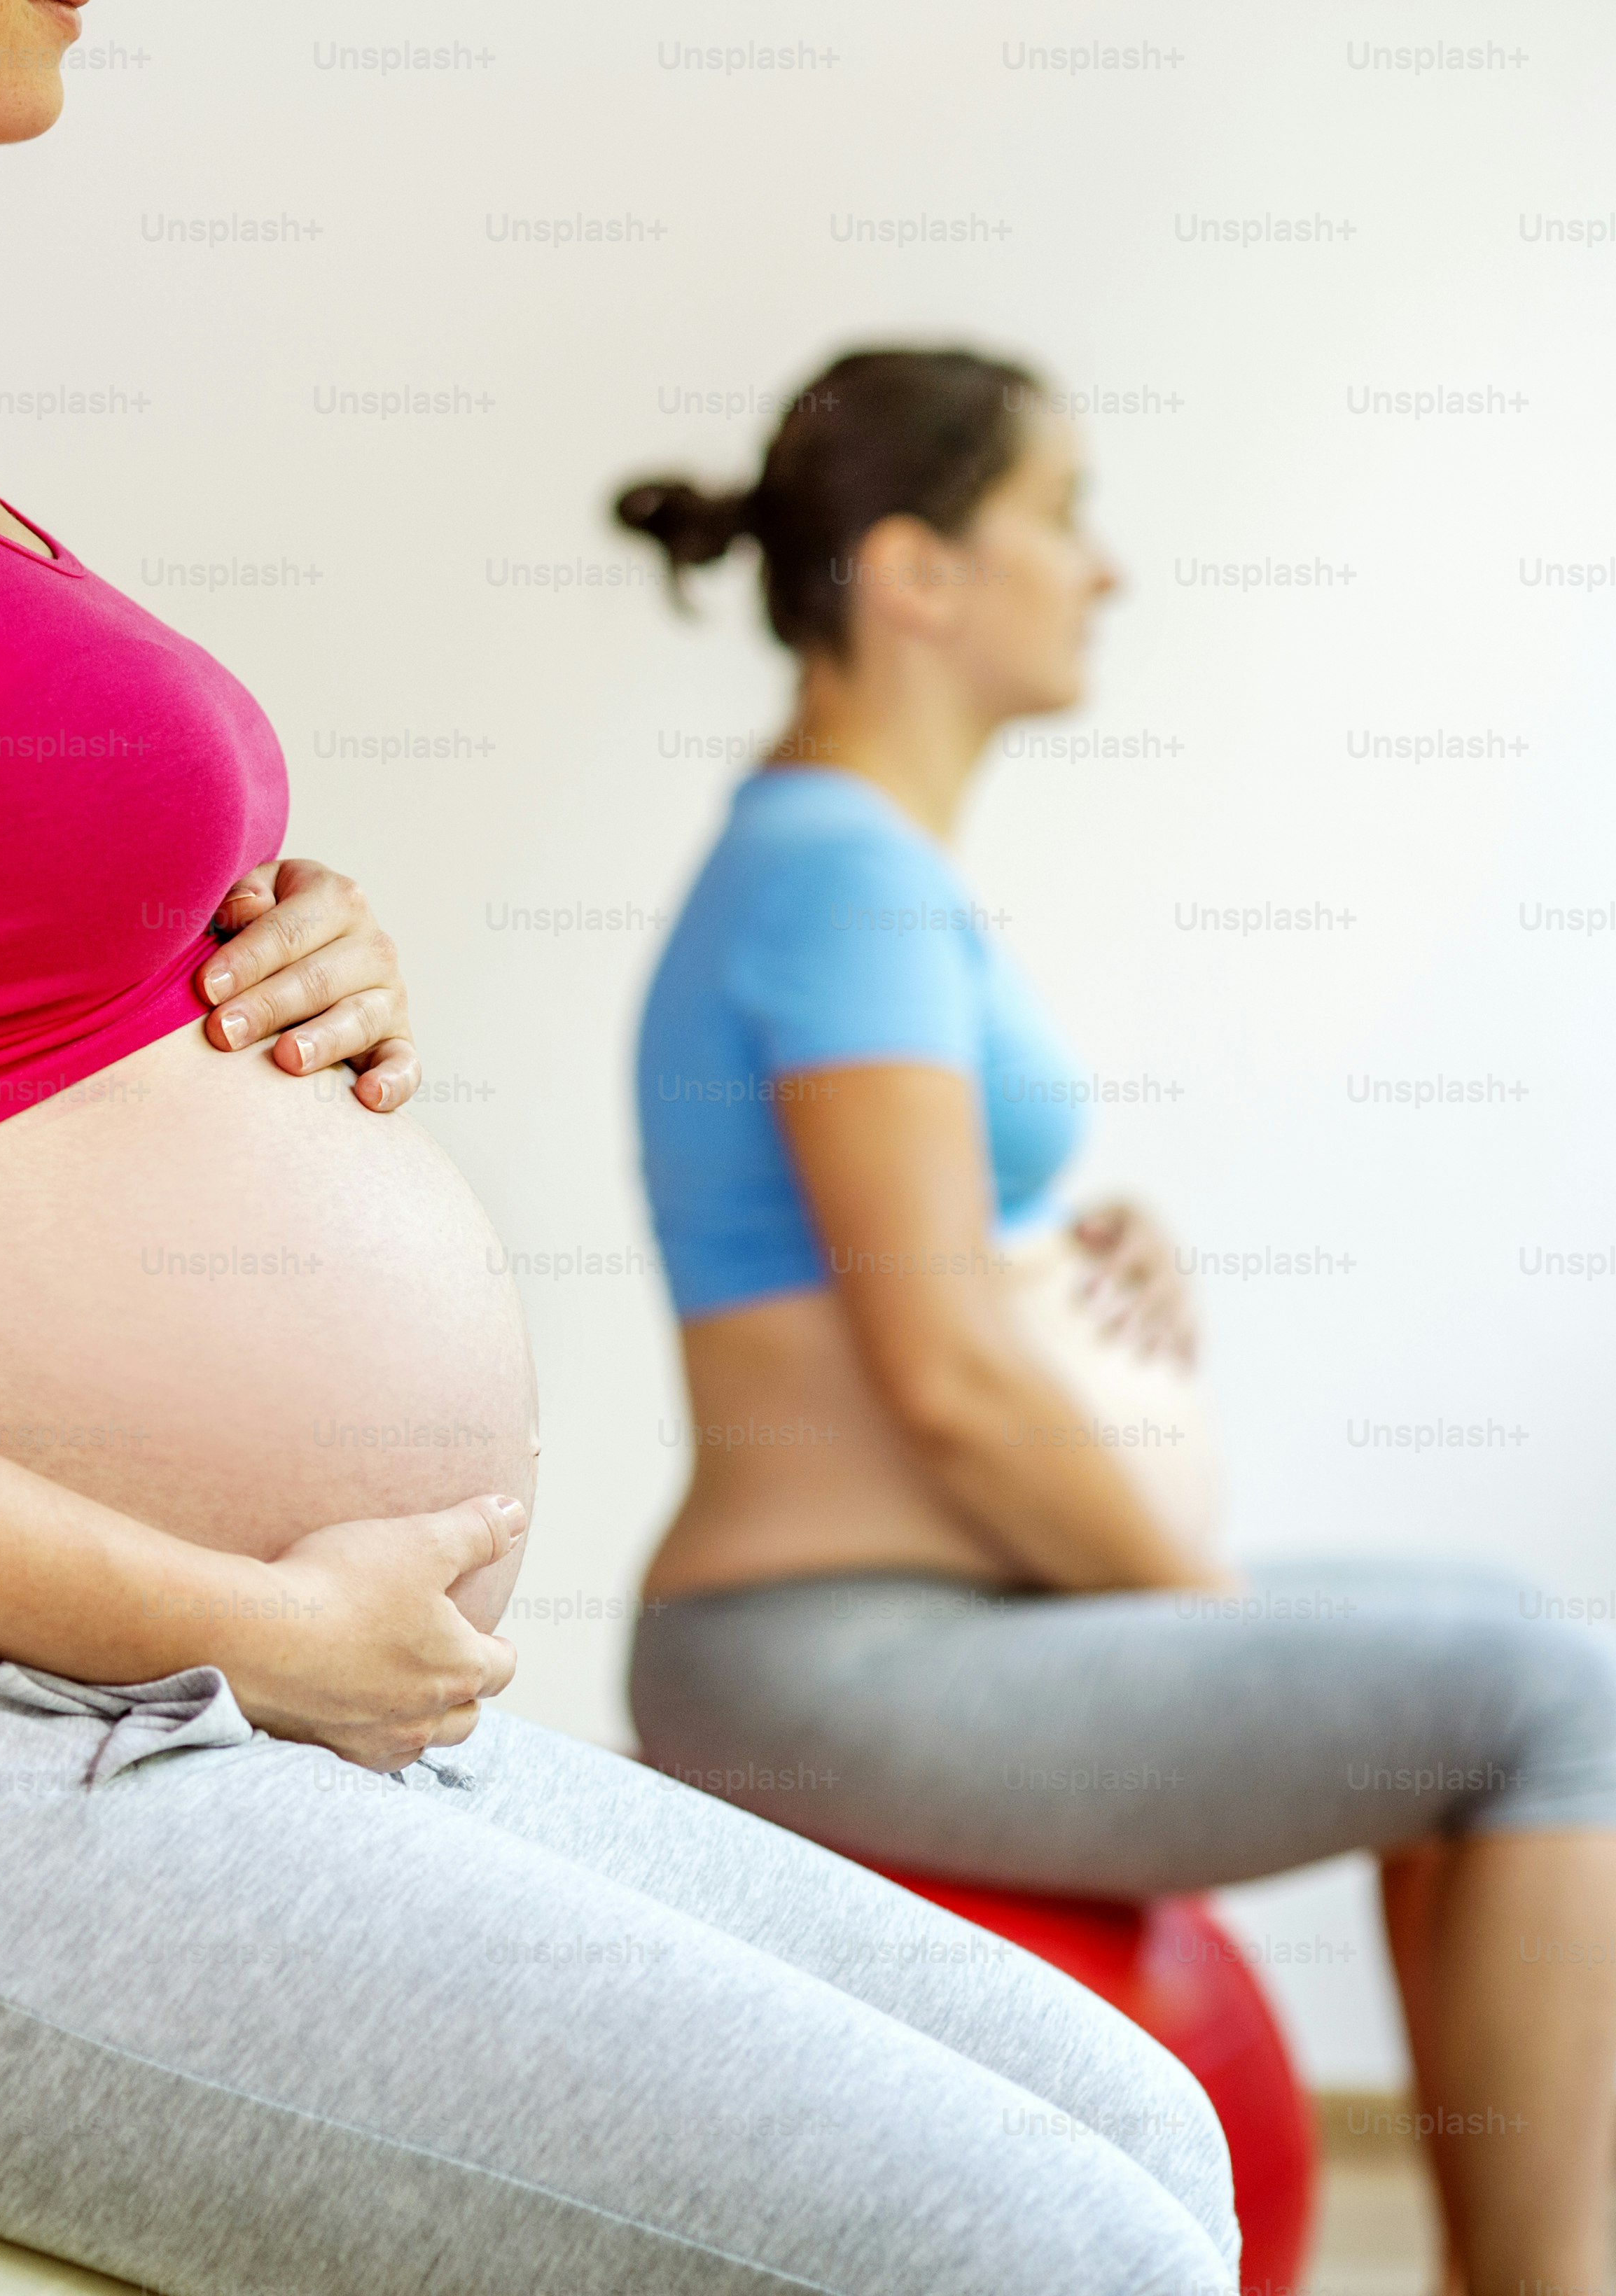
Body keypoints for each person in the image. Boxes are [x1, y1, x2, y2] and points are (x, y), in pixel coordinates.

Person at [0, 6, 1241, 2289]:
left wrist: (243, 960)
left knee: (1138, 2132)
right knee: (1045, 2254)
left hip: (68, 1688)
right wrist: (244, 1625)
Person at [614, 346, 1616, 2296]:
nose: (1105, 572)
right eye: (1062, 518)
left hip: (901, 1626)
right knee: (1549, 1701)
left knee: (1497, 1642)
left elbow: (930, 1279)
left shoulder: (839, 863)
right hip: (826, 1666)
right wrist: (1210, 1616)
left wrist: (1073, 1241)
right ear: (915, 573)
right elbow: (952, 1384)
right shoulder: (840, 875)